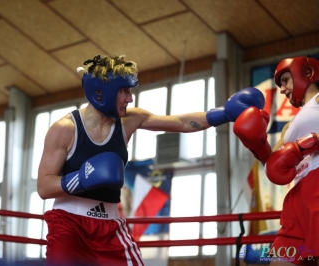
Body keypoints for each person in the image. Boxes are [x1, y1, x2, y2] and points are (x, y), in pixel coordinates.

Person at [37, 54, 265, 266]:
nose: (130, 98)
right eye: (124, 91)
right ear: (101, 93)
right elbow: (44, 187)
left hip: (109, 226)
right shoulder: (64, 129)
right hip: (68, 224)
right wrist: (81, 178)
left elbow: (180, 122)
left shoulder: (129, 120)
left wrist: (224, 113)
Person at [233, 56, 319, 265]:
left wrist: (311, 142)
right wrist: (257, 144)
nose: (282, 89)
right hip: (297, 196)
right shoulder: (290, 126)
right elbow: (273, 165)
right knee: (280, 261)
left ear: (307, 74)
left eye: (285, 80)